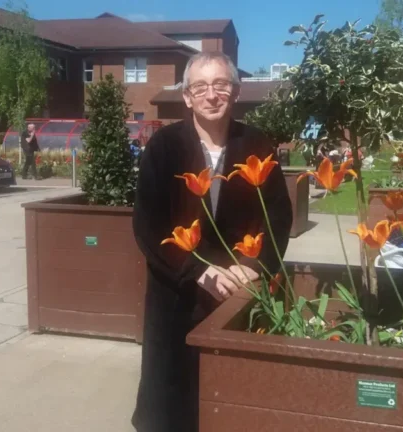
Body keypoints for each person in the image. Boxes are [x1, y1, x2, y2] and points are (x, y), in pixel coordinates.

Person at [131, 51, 293, 432]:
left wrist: (252, 265)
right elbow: (148, 225)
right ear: (187, 97)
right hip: (177, 293)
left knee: (231, 397)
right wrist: (197, 270)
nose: (211, 95)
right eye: (200, 87)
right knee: (171, 401)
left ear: (235, 92)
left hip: (238, 293)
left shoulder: (257, 144)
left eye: (221, 85)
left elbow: (279, 216)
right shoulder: (164, 147)